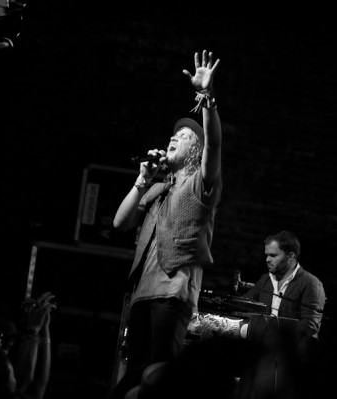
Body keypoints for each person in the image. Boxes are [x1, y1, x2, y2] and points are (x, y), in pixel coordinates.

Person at [111, 49, 222, 397]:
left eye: (185, 136)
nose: (174, 137)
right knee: (133, 373)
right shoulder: (158, 188)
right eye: (173, 135)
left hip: (173, 294)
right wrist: (142, 180)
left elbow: (215, 143)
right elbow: (120, 223)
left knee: (158, 376)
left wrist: (206, 97)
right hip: (143, 294)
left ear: (195, 151)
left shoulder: (200, 185)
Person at [236, 230, 326, 399]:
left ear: (290, 256)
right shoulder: (266, 280)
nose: (267, 259)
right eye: (266, 255)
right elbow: (244, 305)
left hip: (290, 364)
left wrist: (269, 332)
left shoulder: (311, 284)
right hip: (262, 358)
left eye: (273, 255)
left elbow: (310, 326)